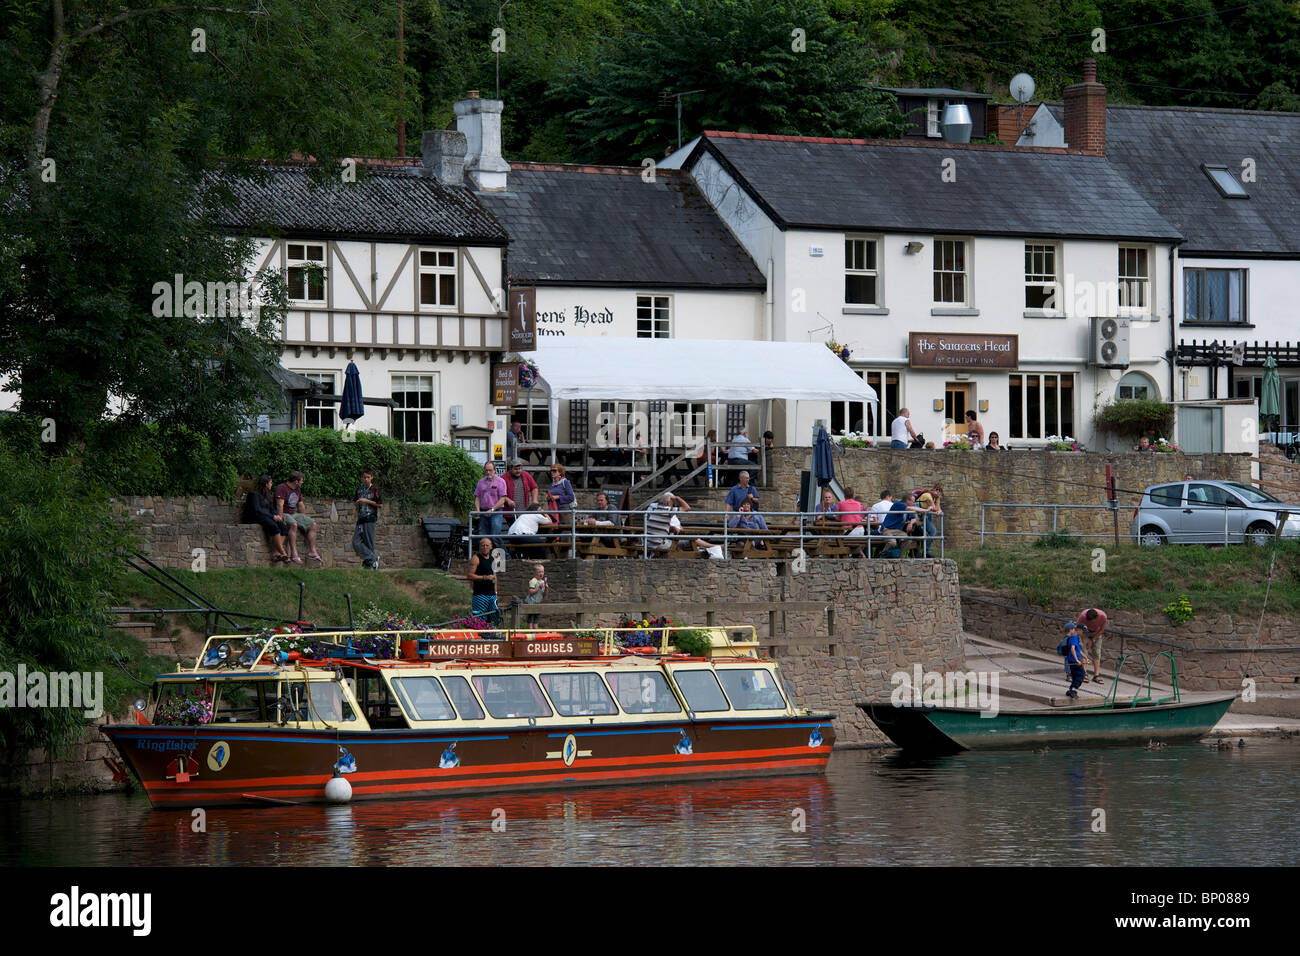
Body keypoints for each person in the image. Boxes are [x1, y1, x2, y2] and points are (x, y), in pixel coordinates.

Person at [274, 471, 321, 565]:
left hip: (294, 514)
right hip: (284, 513)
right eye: (301, 480)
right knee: (294, 525)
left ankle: (312, 551)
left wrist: (304, 520)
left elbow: (300, 505)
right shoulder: (282, 488)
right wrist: (280, 518)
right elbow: (279, 505)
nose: (302, 482)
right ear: (296, 481)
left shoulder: (297, 489)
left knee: (313, 524)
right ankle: (294, 554)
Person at [245, 474, 289, 563]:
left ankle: (277, 553)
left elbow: (271, 508)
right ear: (266, 484)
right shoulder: (253, 494)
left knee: (283, 527)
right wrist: (272, 516)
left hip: (267, 516)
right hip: (255, 517)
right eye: (271, 483)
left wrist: (276, 516)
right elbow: (257, 510)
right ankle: (283, 552)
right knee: (274, 526)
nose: (272, 484)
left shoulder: (268, 495)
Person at [352, 468, 383, 569]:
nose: (366, 479)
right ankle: (373, 558)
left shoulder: (375, 490)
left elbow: (380, 504)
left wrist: (366, 500)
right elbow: (355, 504)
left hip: (370, 519)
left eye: (368, 477)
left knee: (369, 544)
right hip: (360, 519)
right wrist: (357, 503)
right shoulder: (359, 489)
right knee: (355, 542)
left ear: (372, 477)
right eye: (364, 477)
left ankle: (369, 565)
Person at [474, 461, 510, 546]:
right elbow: (477, 497)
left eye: (490, 470)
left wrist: (492, 509)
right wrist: (478, 510)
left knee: (494, 536)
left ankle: (505, 556)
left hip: (496, 512)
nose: (488, 472)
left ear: (494, 470)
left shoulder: (501, 481)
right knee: (483, 537)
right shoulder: (481, 482)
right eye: (486, 470)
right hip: (483, 512)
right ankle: (487, 557)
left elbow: (503, 499)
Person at [467, 537, 499, 625]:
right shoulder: (476, 558)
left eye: (487, 545)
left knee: (494, 618)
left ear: (491, 547)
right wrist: (484, 577)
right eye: (482, 545)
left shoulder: (493, 559)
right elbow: (469, 575)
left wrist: (496, 593)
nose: (485, 547)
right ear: (479, 547)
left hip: (492, 595)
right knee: (480, 620)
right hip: (480, 594)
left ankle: (492, 636)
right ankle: (480, 636)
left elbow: (495, 577)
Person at [1077, 607, 1109, 683]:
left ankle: (1096, 676)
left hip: (1097, 633)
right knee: (1083, 652)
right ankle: (1084, 674)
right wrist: (1080, 640)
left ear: (1096, 617)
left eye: (1092, 621)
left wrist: (1092, 640)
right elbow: (1077, 629)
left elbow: (1102, 630)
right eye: (1088, 620)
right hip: (1084, 633)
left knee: (1097, 653)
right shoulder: (1082, 616)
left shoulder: (1103, 616)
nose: (1090, 622)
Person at [501, 458, 538, 524]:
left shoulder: (526, 475)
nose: (518, 471)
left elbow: (534, 487)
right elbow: (500, 494)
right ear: (510, 469)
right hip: (511, 511)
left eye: (520, 469)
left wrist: (534, 500)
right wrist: (508, 500)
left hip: (524, 510)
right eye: (516, 469)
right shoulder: (504, 478)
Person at [914, 484, 944, 557]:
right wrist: (938, 500)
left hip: (925, 516)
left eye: (940, 491)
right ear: (933, 489)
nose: (938, 491)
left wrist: (938, 509)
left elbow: (938, 510)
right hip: (918, 516)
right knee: (932, 530)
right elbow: (935, 509)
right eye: (936, 489)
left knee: (924, 534)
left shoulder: (933, 498)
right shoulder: (927, 495)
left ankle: (921, 553)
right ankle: (925, 552)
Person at [839, 486, 866, 557]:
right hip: (860, 531)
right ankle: (860, 553)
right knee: (854, 543)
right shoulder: (858, 504)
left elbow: (837, 518)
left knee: (838, 539)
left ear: (844, 495)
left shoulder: (841, 503)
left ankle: (848, 556)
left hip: (848, 532)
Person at [1063, 623, 1088, 699]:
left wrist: (1085, 657)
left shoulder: (1076, 637)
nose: (1084, 633)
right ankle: (1073, 690)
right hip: (1074, 660)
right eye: (1083, 631)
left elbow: (1078, 650)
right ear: (1079, 630)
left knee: (1075, 676)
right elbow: (1072, 649)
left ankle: (1071, 690)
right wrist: (1077, 659)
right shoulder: (1074, 637)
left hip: (1074, 660)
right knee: (1081, 674)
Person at [524, 564, 547, 628]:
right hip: (531, 603)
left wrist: (546, 588)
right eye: (539, 572)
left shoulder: (543, 582)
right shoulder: (533, 581)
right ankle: (531, 636)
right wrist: (539, 587)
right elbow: (531, 592)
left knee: (536, 621)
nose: (541, 573)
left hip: (538, 603)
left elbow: (544, 595)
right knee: (530, 620)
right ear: (535, 573)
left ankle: (536, 636)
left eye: (542, 572)